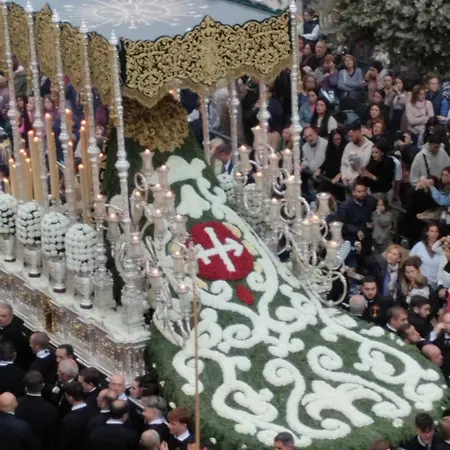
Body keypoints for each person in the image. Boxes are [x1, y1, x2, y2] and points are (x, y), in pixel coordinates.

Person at [16, 370, 58, 450]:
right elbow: (51, 436)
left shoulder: (15, 404)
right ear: (42, 385)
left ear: (25, 388)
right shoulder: (51, 409)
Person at [336, 178, 376, 244]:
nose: (363, 194)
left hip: (366, 236)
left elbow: (374, 214)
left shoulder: (370, 201)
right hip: (351, 237)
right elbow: (342, 224)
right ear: (353, 192)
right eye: (359, 192)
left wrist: (372, 222)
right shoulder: (345, 206)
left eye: (364, 191)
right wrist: (356, 230)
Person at [57, 380, 94, 450]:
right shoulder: (92, 411)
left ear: (70, 398)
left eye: (66, 396)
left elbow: (64, 443)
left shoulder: (68, 420)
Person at [0, 303, 33, 369]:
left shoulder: (14, 332)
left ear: (11, 316)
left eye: (4, 316)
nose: (0, 318)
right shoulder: (6, 325)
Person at [316, 129, 346, 201]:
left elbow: (347, 165)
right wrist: (320, 169)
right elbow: (327, 161)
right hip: (330, 175)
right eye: (335, 139)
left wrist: (340, 174)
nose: (338, 141)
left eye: (339, 139)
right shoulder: (330, 148)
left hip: (341, 175)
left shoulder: (346, 148)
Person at [410, 224, 441, 289]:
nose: (434, 234)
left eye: (436, 231)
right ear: (427, 233)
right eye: (431, 231)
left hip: (435, 285)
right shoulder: (419, 245)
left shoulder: (442, 249)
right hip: (420, 283)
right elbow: (410, 261)